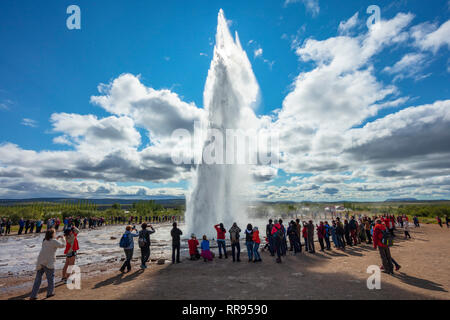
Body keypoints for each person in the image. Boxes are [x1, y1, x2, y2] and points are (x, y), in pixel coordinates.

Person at [30, 229, 66, 300]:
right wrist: (63, 238)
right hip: (48, 262)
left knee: (38, 280)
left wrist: (57, 238)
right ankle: (50, 293)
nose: (55, 234)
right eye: (55, 233)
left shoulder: (44, 240)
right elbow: (62, 245)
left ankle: (33, 295)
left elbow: (51, 242)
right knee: (50, 279)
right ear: (52, 234)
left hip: (41, 261)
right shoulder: (54, 241)